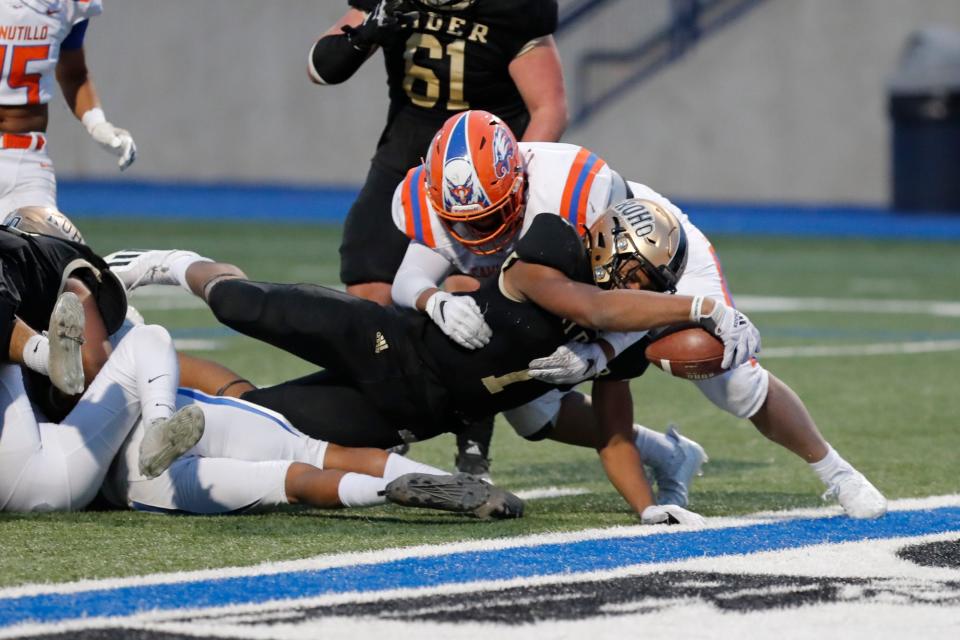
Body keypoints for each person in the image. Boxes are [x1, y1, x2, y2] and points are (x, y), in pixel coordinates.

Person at [105, 203, 762, 525]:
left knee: (258, 428)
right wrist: (699, 303)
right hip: (389, 341)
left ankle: (136, 403)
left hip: (414, 409)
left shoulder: (615, 344)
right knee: (239, 303)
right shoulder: (554, 244)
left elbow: (614, 432)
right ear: (618, 250)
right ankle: (170, 263)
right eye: (647, 278)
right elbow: (588, 301)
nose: (649, 295)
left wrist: (647, 509)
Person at [389, 109, 887, 519]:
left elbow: (622, 293)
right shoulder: (438, 205)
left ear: (518, 179)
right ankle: (667, 454)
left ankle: (839, 474)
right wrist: (434, 300)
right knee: (528, 409)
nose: (482, 233)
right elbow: (408, 278)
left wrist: (600, 350)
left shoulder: (576, 188)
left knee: (733, 381)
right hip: (577, 289)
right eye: (465, 222)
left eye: (496, 214)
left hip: (648, 259)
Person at [309, 0, 567, 475]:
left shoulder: (513, 8)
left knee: (467, 290)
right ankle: (384, 421)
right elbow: (322, 68)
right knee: (368, 285)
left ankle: (473, 443)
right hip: (408, 157)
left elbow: (547, 106)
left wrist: (518, 179)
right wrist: (369, 29)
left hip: (487, 170)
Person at [0, 221, 206, 512]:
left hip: (37, 458)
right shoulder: (52, 265)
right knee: (149, 338)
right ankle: (157, 423)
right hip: (47, 475)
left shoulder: (32, 266)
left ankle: (45, 357)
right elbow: (93, 366)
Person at [101, 383, 521, 519]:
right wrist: (246, 396)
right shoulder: (130, 343)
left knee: (292, 483)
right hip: (186, 411)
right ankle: (457, 485)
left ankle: (384, 492)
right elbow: (181, 362)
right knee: (321, 452)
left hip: (139, 474)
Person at [0, 1, 136, 215]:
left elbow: (74, 75)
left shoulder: (67, 5)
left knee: (47, 245)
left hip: (27, 160)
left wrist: (97, 123)